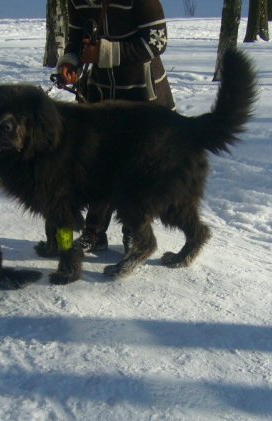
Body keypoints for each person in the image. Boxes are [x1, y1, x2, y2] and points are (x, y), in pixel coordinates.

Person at [56, 0, 176, 253]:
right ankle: (95, 231)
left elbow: (157, 42)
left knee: (135, 172)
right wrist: (71, 62)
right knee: (98, 167)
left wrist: (104, 53)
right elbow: (78, 37)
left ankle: (134, 232)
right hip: (101, 97)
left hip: (143, 98)